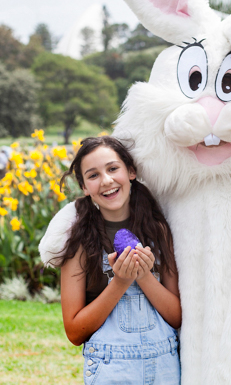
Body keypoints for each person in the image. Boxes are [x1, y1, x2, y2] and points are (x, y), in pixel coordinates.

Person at [45, 136, 181, 384]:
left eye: (112, 168)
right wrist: (120, 282)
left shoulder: (159, 231)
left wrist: (144, 276)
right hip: (111, 371)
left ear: (130, 171)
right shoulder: (78, 242)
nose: (106, 181)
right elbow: (75, 332)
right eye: (93, 175)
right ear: (85, 187)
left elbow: (176, 316)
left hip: (165, 369)